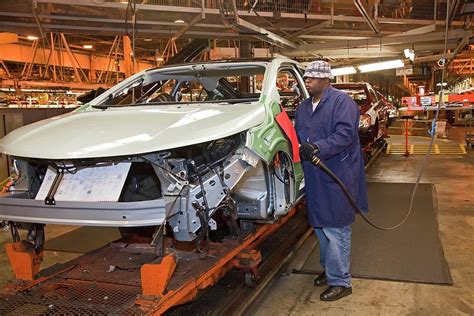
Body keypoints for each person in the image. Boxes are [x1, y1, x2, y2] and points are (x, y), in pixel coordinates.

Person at [294, 60, 369, 301]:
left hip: (336, 173)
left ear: (327, 80)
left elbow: (345, 135)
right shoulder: (304, 106)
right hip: (314, 176)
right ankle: (329, 271)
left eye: (314, 77)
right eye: (307, 77)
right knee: (320, 227)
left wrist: (317, 147)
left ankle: (341, 281)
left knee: (336, 228)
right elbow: (298, 134)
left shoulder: (341, 102)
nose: (308, 81)